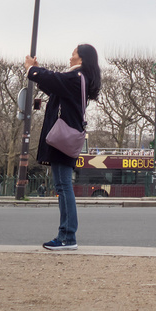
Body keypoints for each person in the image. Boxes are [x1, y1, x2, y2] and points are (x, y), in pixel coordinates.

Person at [25, 43, 101, 252]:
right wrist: (37, 73)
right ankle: (66, 235)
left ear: (82, 59)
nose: (70, 57)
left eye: (73, 54)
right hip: (66, 137)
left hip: (62, 138)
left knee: (63, 187)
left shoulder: (76, 78)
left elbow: (54, 79)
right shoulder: (78, 80)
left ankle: (67, 236)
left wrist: (32, 70)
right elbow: (55, 85)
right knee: (62, 186)